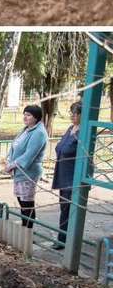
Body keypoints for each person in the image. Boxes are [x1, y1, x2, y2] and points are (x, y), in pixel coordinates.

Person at [5, 104, 49, 229]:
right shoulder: (26, 129)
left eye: (28, 115)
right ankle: (25, 230)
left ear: (36, 118)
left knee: (27, 204)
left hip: (28, 172)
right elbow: (16, 145)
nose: (25, 117)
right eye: (24, 114)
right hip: (19, 171)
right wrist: (9, 160)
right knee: (22, 202)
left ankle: (27, 231)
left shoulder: (39, 133)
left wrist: (12, 165)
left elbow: (29, 155)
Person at [50, 101, 81, 249]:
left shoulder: (83, 132)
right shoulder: (70, 129)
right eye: (71, 113)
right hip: (62, 174)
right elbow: (60, 147)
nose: (72, 116)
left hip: (72, 177)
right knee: (64, 209)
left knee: (70, 210)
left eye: (75, 113)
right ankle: (62, 238)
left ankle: (65, 240)